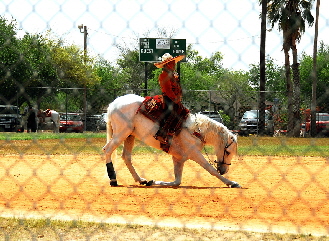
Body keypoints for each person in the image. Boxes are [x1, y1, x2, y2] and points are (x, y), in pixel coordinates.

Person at [153, 53, 187, 144]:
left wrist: (179, 97)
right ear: (167, 65)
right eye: (172, 63)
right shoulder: (163, 75)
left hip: (175, 98)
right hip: (168, 98)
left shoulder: (173, 75)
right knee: (170, 112)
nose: (174, 65)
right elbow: (168, 90)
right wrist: (176, 100)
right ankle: (160, 134)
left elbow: (177, 88)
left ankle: (175, 134)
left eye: (173, 63)